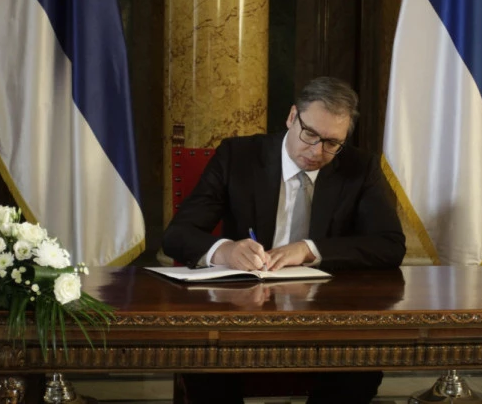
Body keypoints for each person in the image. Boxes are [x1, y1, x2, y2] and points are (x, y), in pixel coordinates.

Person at [162, 76, 406, 404]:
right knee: (204, 362)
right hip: (240, 313)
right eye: (310, 134)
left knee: (361, 365)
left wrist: (309, 249)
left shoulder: (360, 168)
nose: (317, 151)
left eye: (332, 143)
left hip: (327, 316)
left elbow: (390, 244)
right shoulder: (238, 156)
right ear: (292, 117)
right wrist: (226, 250)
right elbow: (177, 235)